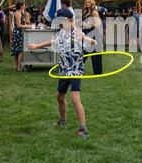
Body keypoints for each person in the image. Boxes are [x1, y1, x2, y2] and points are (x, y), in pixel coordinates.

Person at [27, 8, 96, 138]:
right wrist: (37, 46)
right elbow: (52, 42)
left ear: (70, 20)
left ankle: (83, 128)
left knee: (75, 98)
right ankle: (62, 120)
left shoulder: (77, 33)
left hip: (75, 70)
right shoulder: (61, 34)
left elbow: (93, 42)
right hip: (64, 70)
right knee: (59, 97)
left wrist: (88, 40)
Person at [82, 0, 103, 75]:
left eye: (89, 2)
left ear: (92, 4)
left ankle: (98, 72)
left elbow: (97, 25)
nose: (87, 3)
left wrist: (87, 25)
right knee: (83, 53)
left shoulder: (94, 12)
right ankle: (79, 69)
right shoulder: (86, 13)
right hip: (86, 34)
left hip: (94, 35)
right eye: (86, 2)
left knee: (95, 55)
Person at [11, 1, 30, 71]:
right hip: (18, 33)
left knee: (17, 51)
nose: (25, 7)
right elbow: (18, 25)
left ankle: (17, 66)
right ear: (21, 6)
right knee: (20, 50)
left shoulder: (19, 13)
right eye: (24, 5)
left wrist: (26, 23)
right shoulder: (18, 13)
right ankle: (19, 67)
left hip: (17, 32)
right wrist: (28, 26)